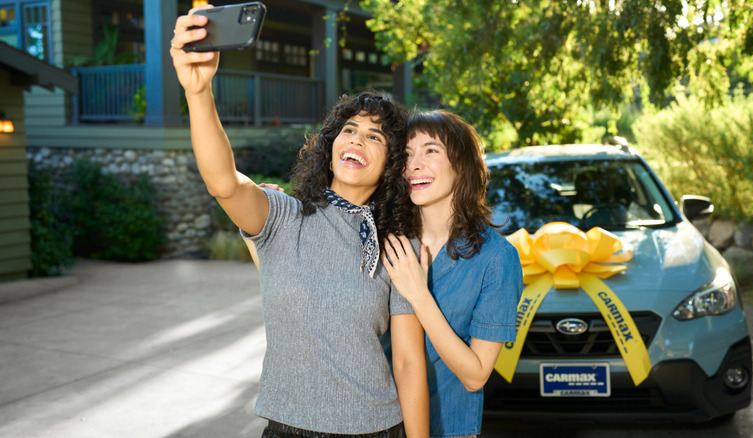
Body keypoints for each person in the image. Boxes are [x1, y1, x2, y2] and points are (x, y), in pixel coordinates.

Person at [170, 7, 428, 438]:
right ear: (330, 145)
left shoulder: (398, 244)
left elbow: (407, 361)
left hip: (376, 429)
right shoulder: (283, 217)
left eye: (375, 136)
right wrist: (199, 93)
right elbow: (224, 183)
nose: (357, 140)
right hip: (285, 428)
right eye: (349, 129)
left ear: (391, 164)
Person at [381, 110, 523, 438]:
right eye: (406, 154)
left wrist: (418, 294)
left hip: (449, 429)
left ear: (462, 165)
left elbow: (476, 375)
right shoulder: (388, 238)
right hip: (374, 425)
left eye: (430, 151)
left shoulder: (496, 258)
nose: (414, 165)